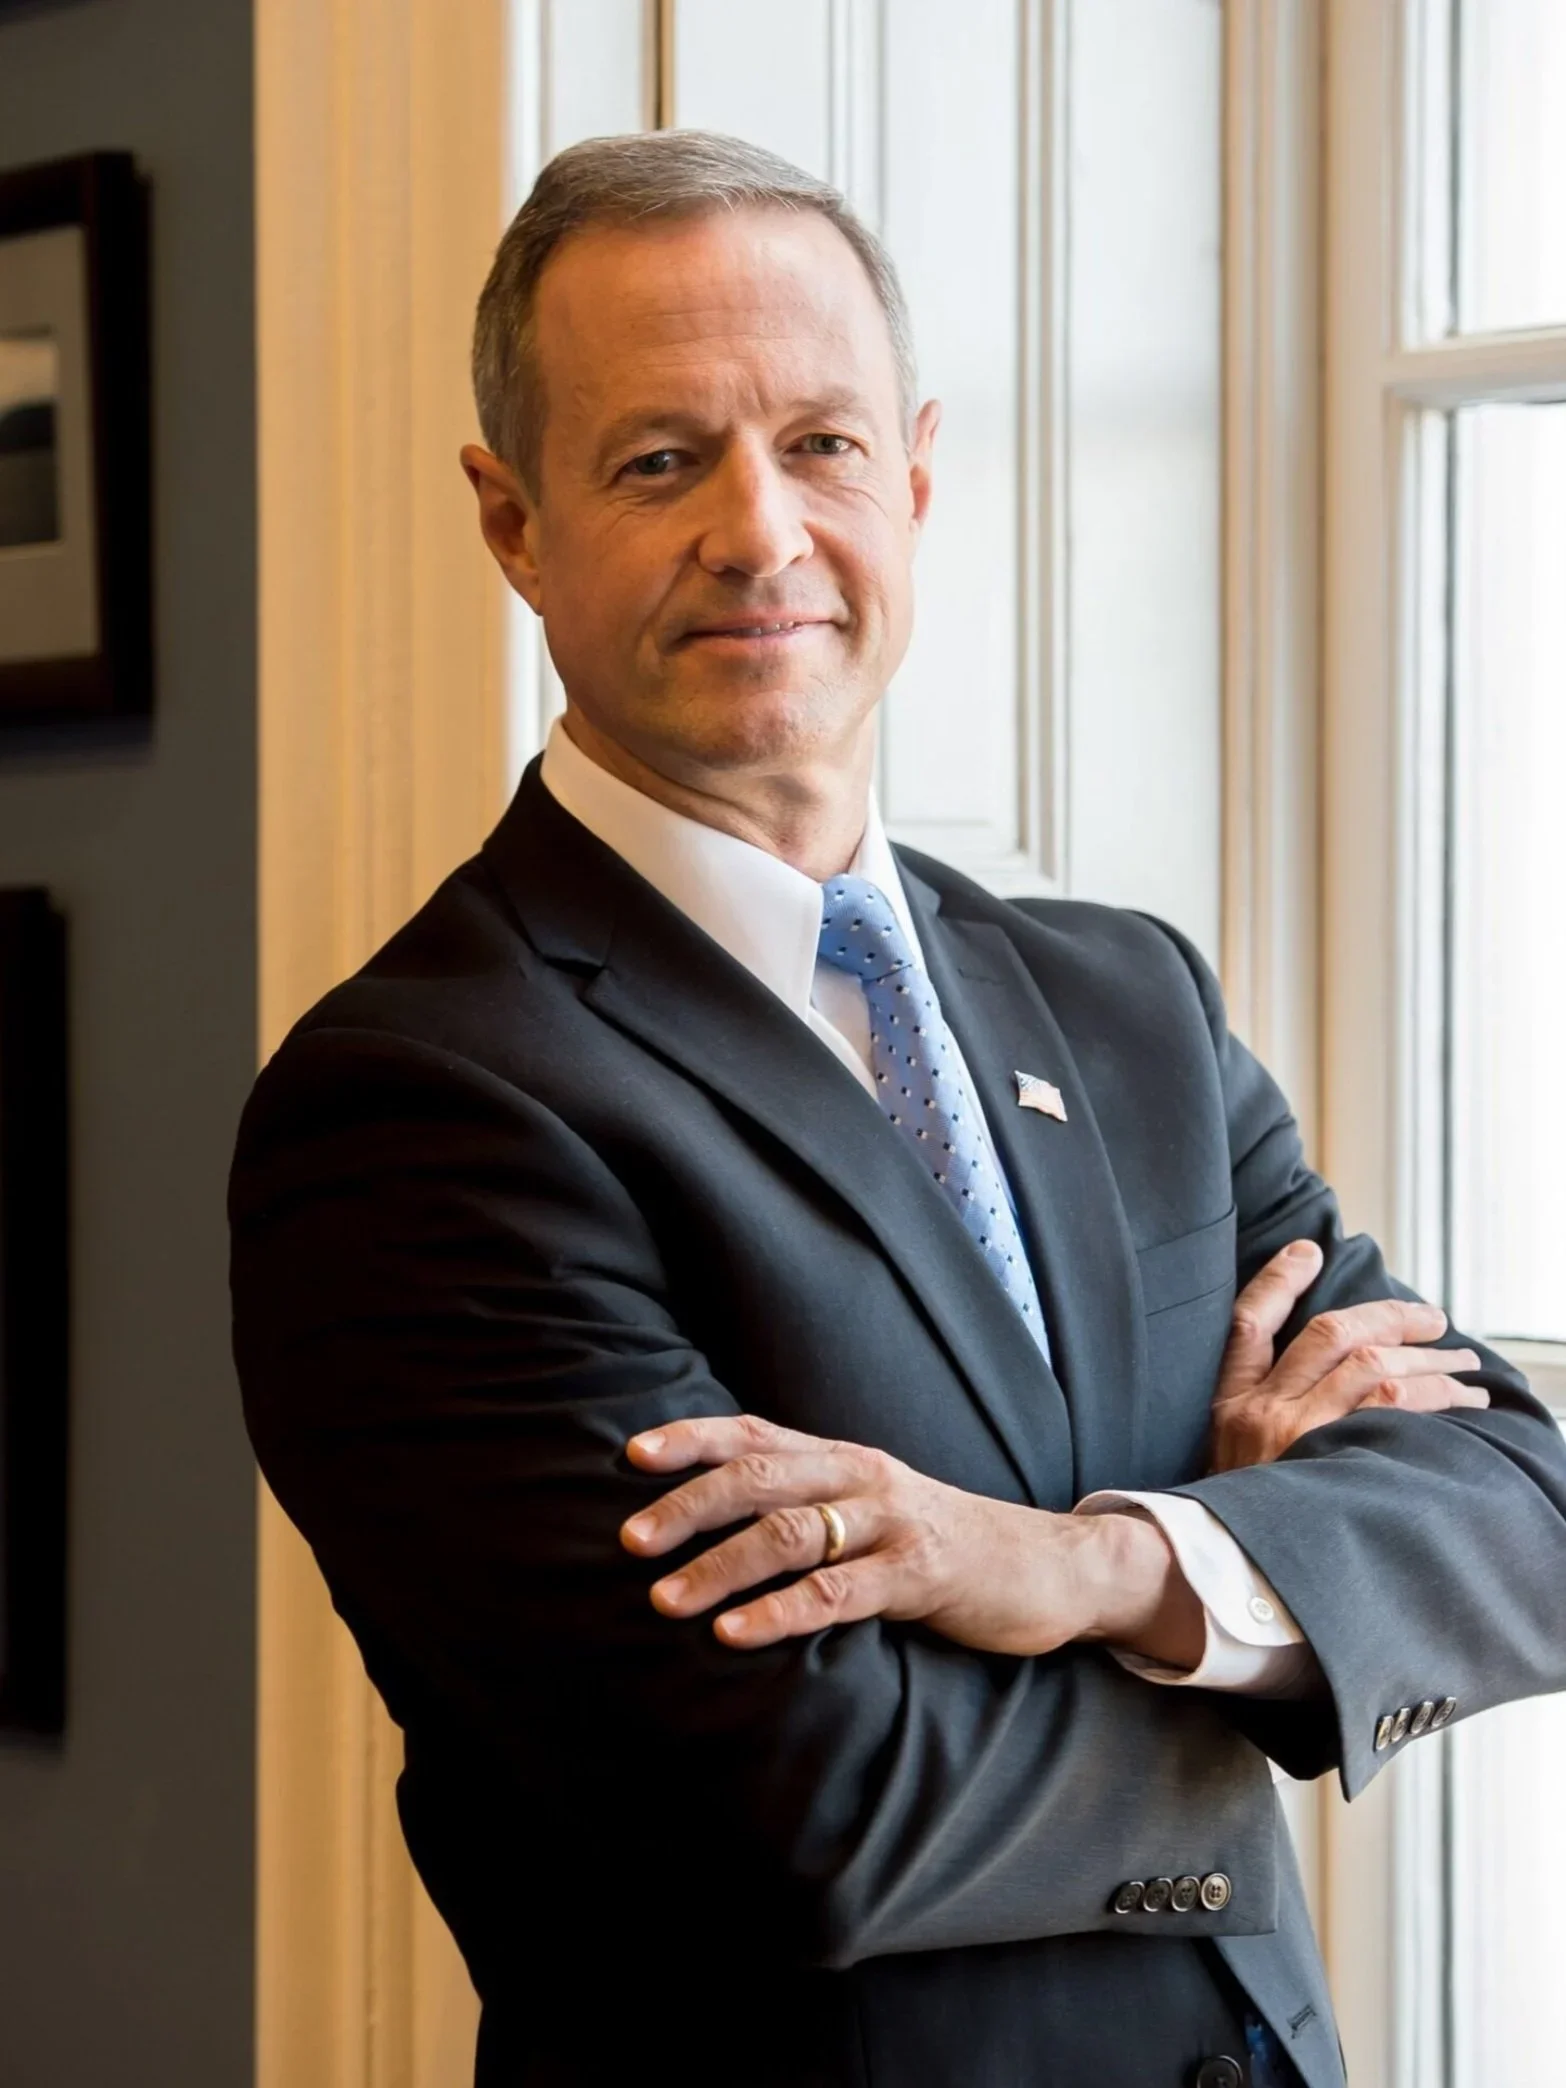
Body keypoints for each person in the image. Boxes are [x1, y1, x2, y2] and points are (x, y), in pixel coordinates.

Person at [228, 132, 1566, 2088]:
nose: (762, 533)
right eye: (661, 458)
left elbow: (1522, 1517)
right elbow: (812, 1814)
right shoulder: (423, 1107)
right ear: (511, 521)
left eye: (825, 446)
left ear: (918, 478)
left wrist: (1091, 1566)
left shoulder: (1130, 1007)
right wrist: (1275, 1586)